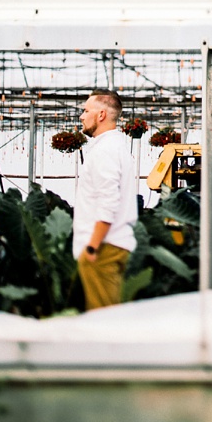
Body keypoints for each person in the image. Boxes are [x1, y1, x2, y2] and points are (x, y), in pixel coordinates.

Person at [73, 89, 138, 310]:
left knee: (103, 317)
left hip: (103, 248)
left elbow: (108, 200)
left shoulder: (105, 151)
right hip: (113, 244)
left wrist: (92, 247)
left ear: (101, 115)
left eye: (86, 110)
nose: (82, 116)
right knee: (109, 313)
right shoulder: (116, 147)